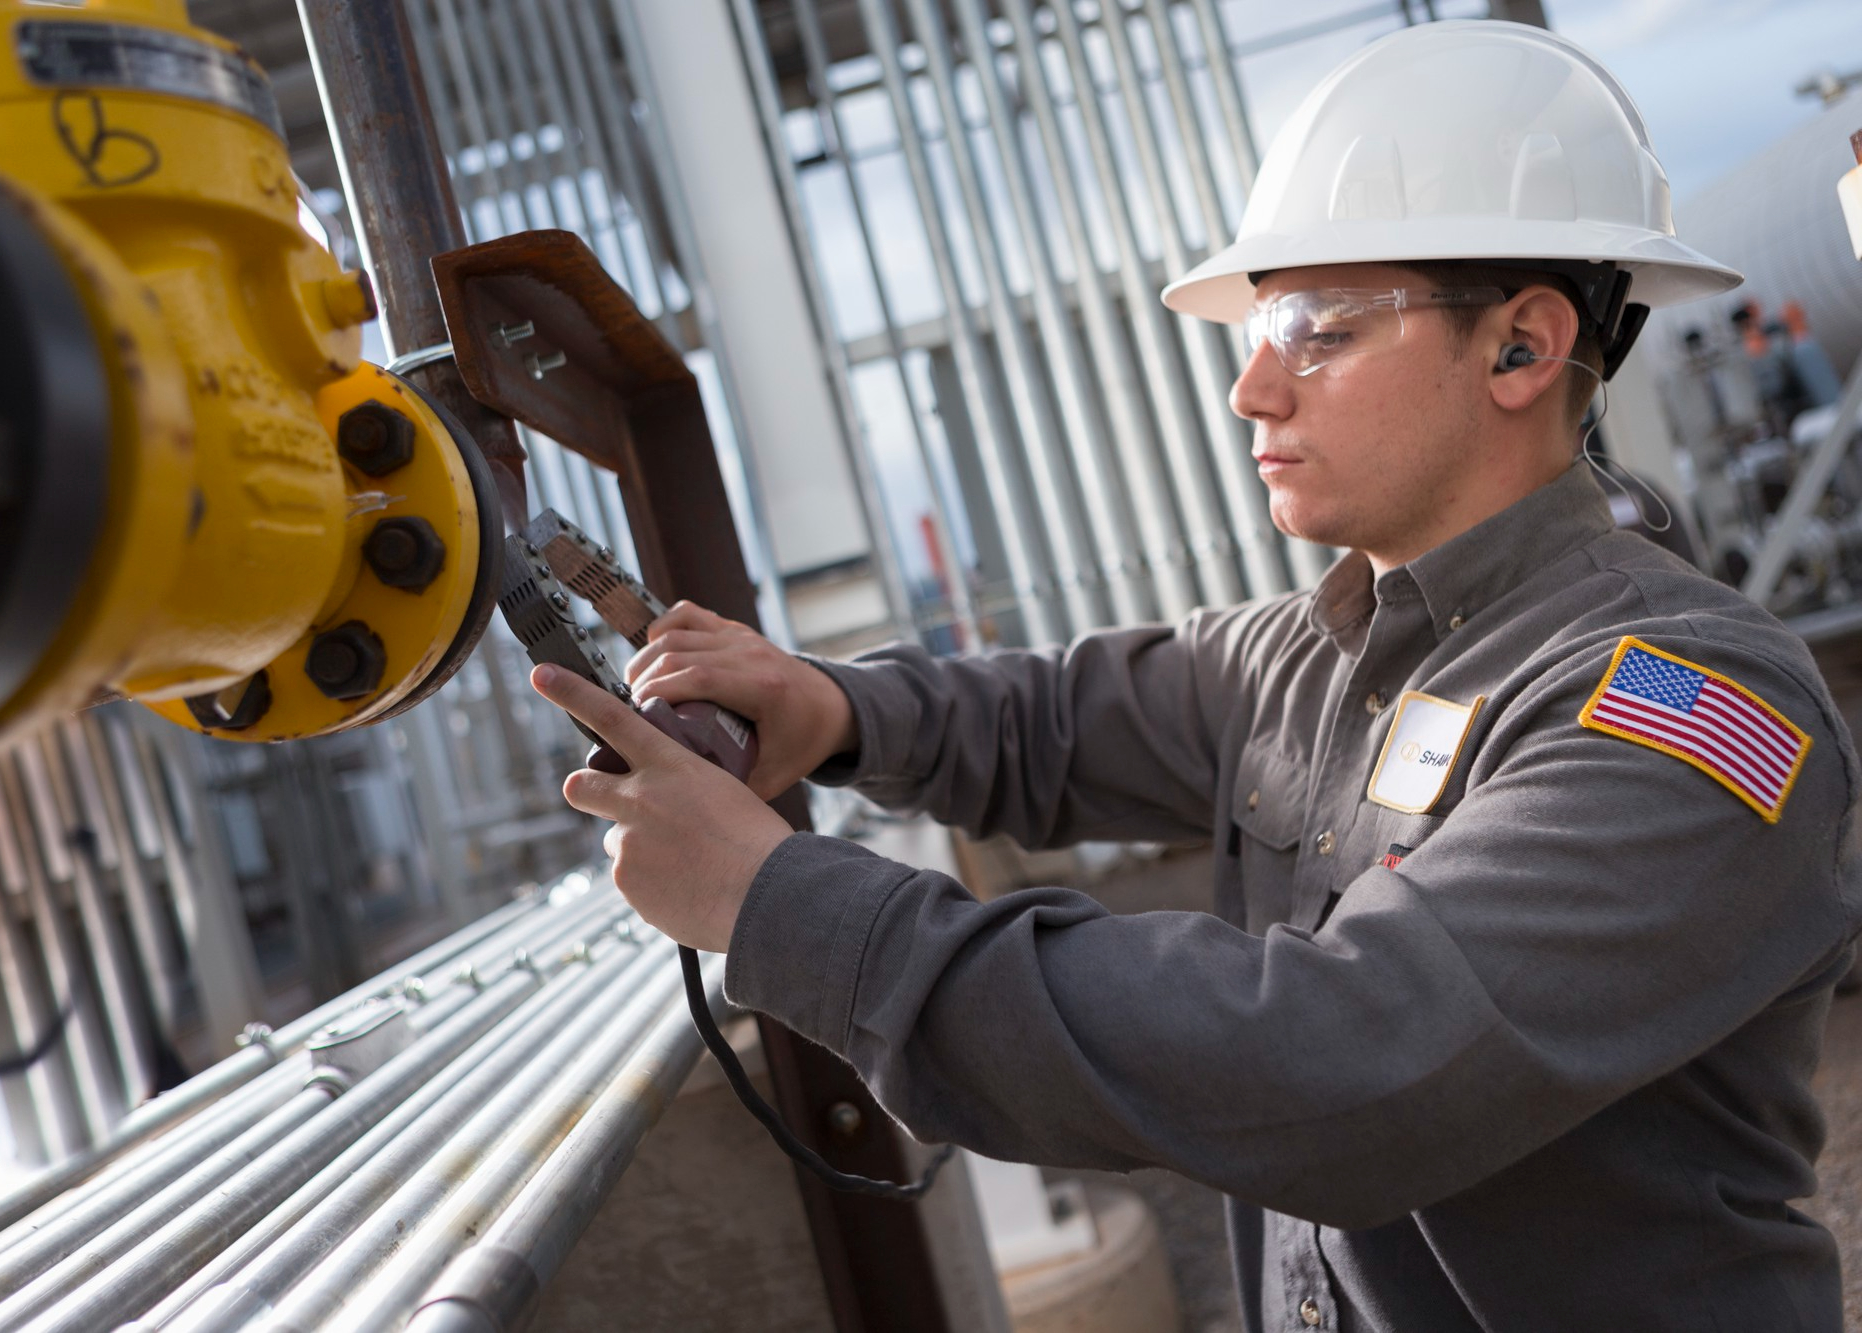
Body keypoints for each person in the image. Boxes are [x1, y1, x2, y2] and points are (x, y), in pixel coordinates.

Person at [532, 20, 1861, 1332]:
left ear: (1521, 346)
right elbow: (1052, 715)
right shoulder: (1317, 655)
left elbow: (1342, 1066)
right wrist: (831, 708)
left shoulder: (1684, 702)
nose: (1250, 390)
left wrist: (783, 906)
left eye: (1317, 328)